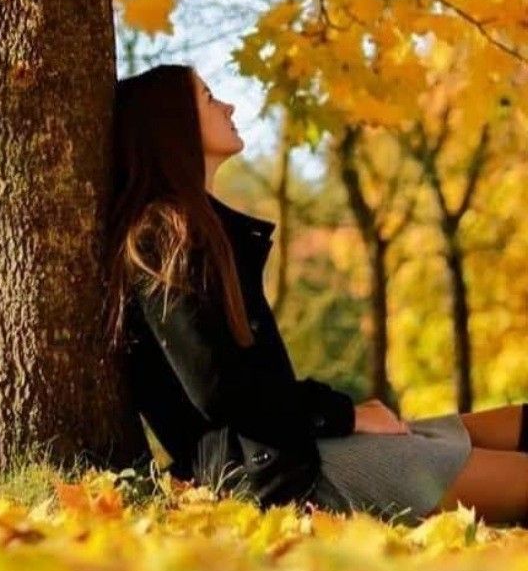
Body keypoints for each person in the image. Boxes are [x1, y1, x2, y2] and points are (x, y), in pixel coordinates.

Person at [104, 63, 528, 527]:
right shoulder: (163, 239)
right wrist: (344, 415)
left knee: (507, 424)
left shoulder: (200, 231)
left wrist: (344, 418)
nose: (228, 105)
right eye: (208, 99)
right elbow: (225, 394)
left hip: (290, 448)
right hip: (274, 475)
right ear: (174, 124)